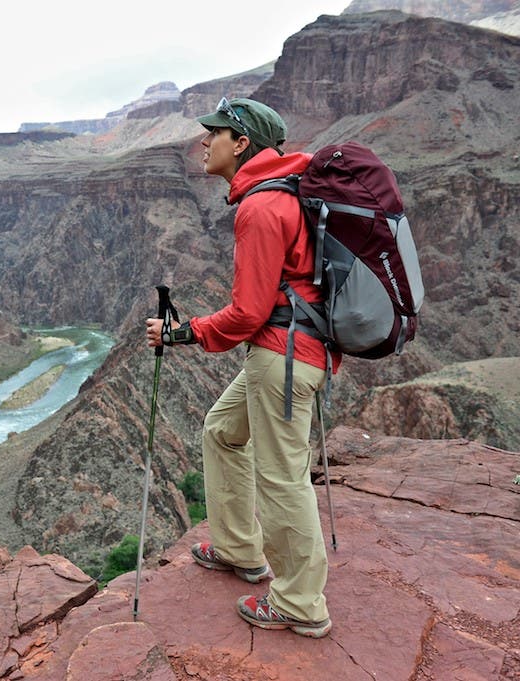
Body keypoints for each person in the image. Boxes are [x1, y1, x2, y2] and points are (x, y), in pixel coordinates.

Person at [145, 97, 338, 638]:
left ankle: (301, 603)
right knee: (223, 431)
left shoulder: (260, 207)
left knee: (282, 479)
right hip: (292, 354)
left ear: (244, 143)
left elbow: (249, 313)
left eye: (217, 133)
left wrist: (184, 332)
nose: (205, 142)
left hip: (282, 359)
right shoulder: (286, 191)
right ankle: (239, 548)